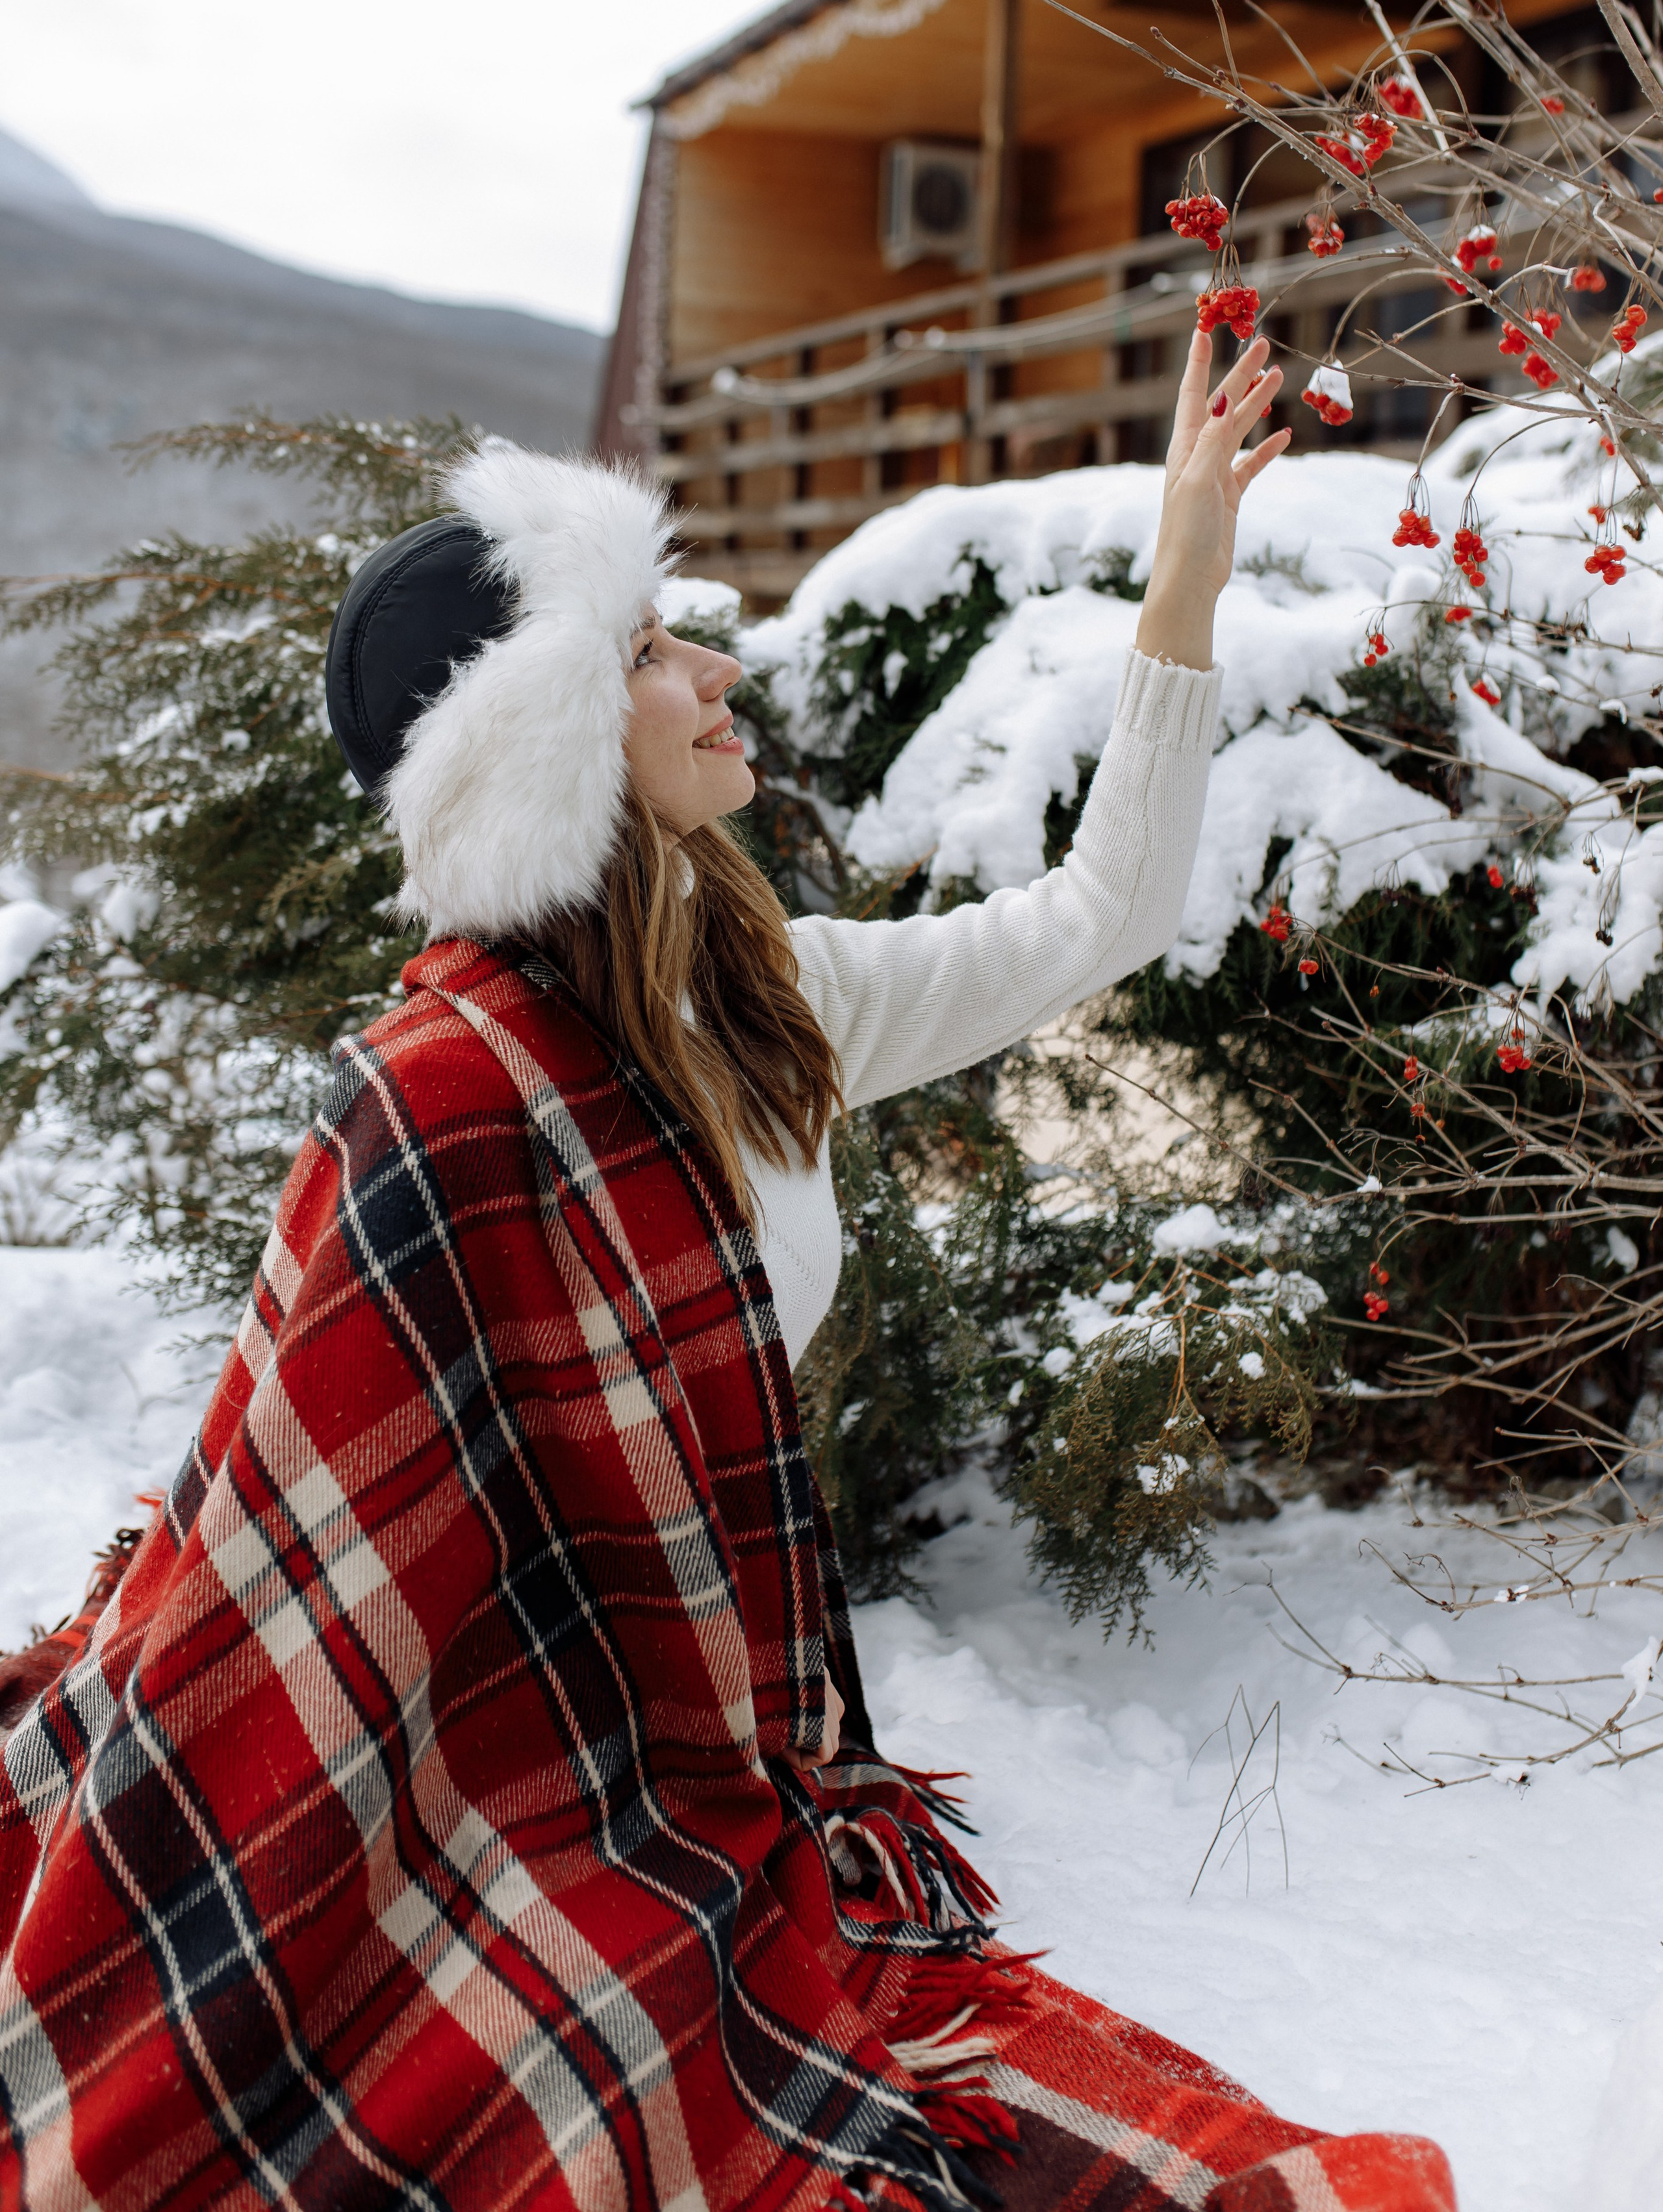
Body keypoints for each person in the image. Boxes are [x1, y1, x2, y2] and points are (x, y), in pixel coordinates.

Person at [0, 333, 1454, 2211]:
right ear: (544, 743)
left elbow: (1100, 918)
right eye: (650, 654)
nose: (716, 669)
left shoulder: (777, 1016)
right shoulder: (445, 1101)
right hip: (497, 1749)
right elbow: (310, 1500)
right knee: (546, 2072)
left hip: (707, 1738)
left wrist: (1181, 578)